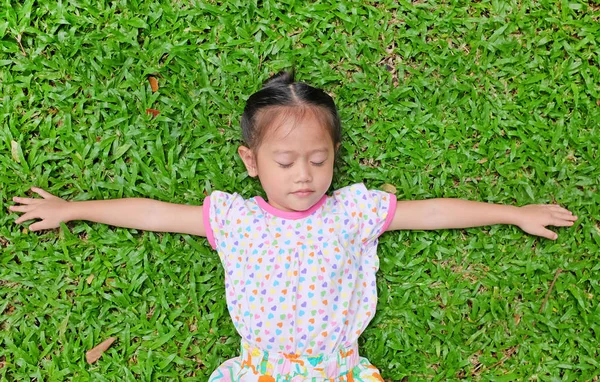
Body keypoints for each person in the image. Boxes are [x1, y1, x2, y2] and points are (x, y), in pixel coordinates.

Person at [10, 72, 577, 381]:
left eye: (319, 160)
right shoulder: (234, 219)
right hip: (256, 369)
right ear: (251, 162)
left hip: (339, 369)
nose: (304, 177)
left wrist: (514, 213)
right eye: (284, 163)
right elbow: (155, 214)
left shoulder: (351, 212)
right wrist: (72, 207)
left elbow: (429, 212)